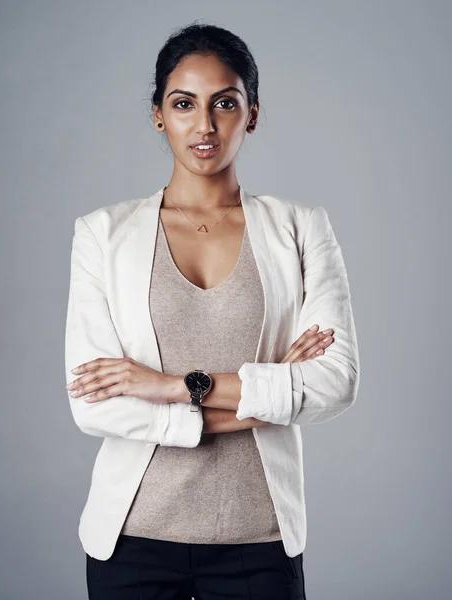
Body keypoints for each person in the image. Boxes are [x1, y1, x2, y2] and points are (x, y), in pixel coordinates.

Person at [65, 21, 360, 600]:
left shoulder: (300, 229)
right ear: (158, 114)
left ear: (251, 113)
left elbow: (334, 383)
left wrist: (173, 387)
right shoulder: (102, 235)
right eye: (183, 104)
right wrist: (266, 401)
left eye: (224, 103)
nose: (204, 126)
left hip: (260, 540)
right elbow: (94, 407)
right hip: (133, 540)